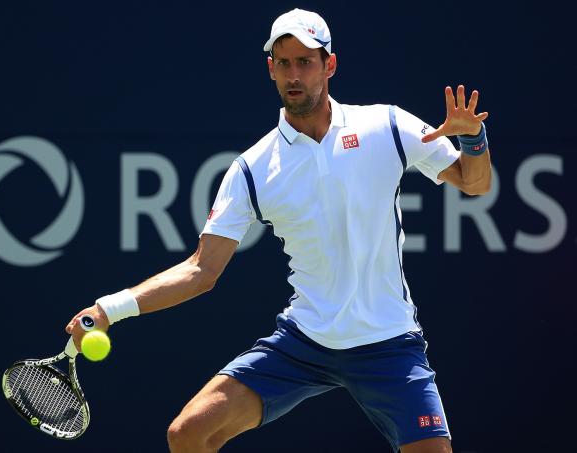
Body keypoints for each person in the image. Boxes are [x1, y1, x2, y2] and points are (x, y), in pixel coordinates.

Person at [66, 8, 491, 453]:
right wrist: (109, 309)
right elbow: (200, 270)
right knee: (189, 434)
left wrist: (473, 138)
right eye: (283, 63)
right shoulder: (252, 168)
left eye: (305, 61)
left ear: (330, 65)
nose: (294, 74)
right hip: (304, 341)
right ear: (270, 69)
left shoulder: (385, 125)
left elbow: (475, 182)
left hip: (388, 343)